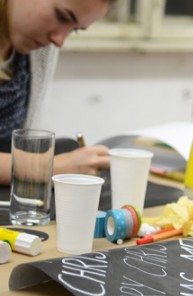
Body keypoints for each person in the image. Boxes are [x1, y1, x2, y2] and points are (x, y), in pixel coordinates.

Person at [0, 0, 113, 185]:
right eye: (61, 17)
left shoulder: (40, 48)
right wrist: (47, 168)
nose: (59, 40)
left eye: (74, 29)